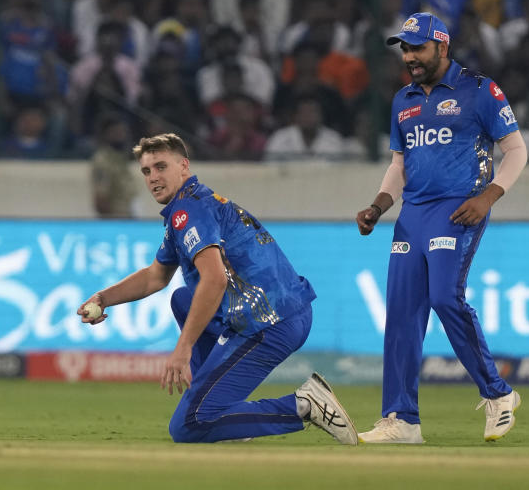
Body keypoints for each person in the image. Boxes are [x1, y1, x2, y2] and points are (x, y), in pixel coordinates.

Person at [76, 133, 357, 445]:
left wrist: (183, 348)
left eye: (160, 167)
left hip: (268, 322)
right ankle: (224, 418)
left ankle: (304, 406)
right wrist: (104, 298)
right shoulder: (192, 206)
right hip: (283, 311)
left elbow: (215, 279)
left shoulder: (187, 212)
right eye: (146, 171)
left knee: (187, 426)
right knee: (183, 299)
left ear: (184, 166)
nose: (153, 177)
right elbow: (155, 276)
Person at [354, 12, 528, 444]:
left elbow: (517, 150)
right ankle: (402, 420)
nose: (410, 56)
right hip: (412, 214)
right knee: (401, 312)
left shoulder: (479, 89)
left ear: (442, 47)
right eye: (405, 49)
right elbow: (399, 164)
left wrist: (488, 196)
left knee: (444, 297)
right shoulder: (403, 99)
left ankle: (499, 394)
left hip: (459, 208)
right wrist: (379, 205)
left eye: (417, 48)